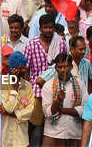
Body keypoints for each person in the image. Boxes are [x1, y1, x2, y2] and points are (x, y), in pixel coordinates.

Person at [24, 14, 68, 146]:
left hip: (55, 90)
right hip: (36, 90)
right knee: (33, 123)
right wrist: (28, 89)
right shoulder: (31, 44)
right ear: (40, 28)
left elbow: (65, 64)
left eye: (50, 27)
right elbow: (26, 69)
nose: (48, 30)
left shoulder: (60, 43)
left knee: (52, 125)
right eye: (45, 27)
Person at [41, 53, 87, 146]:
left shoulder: (80, 84)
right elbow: (47, 112)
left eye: (65, 66)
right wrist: (58, 100)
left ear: (71, 67)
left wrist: (62, 110)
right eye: (59, 67)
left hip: (73, 133)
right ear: (55, 68)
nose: (63, 70)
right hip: (53, 133)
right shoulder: (48, 86)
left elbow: (84, 109)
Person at [0, 51, 34, 147]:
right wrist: (14, 88)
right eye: (21, 67)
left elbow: (30, 110)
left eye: (25, 66)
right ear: (13, 69)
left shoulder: (28, 85)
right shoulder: (2, 83)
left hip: (22, 139)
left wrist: (15, 114)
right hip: (6, 139)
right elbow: (8, 108)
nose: (25, 70)